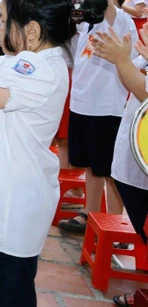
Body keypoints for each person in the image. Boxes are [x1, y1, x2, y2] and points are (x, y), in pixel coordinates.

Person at [0, 0, 106, 305]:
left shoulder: (36, 72)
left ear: (31, 31)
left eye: (4, 20)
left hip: (8, 211)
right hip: (1, 203)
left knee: (4, 295)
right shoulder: (27, 64)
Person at [58, 0, 137, 234]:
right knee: (92, 166)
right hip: (82, 104)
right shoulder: (86, 23)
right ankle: (89, 216)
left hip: (107, 109)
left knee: (110, 172)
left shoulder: (119, 21)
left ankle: (115, 222)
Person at [90, 24, 148, 307]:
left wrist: (123, 61)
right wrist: (126, 59)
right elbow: (134, 80)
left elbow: (143, 90)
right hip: (138, 151)